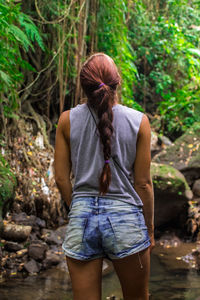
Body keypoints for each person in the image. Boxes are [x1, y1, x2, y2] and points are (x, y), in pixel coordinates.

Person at [54, 52, 154, 300]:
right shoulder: (139, 122)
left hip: (81, 219)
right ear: (117, 83)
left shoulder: (66, 121)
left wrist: (76, 208)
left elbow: (61, 179)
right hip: (127, 220)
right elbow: (143, 184)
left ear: (84, 86)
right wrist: (149, 229)